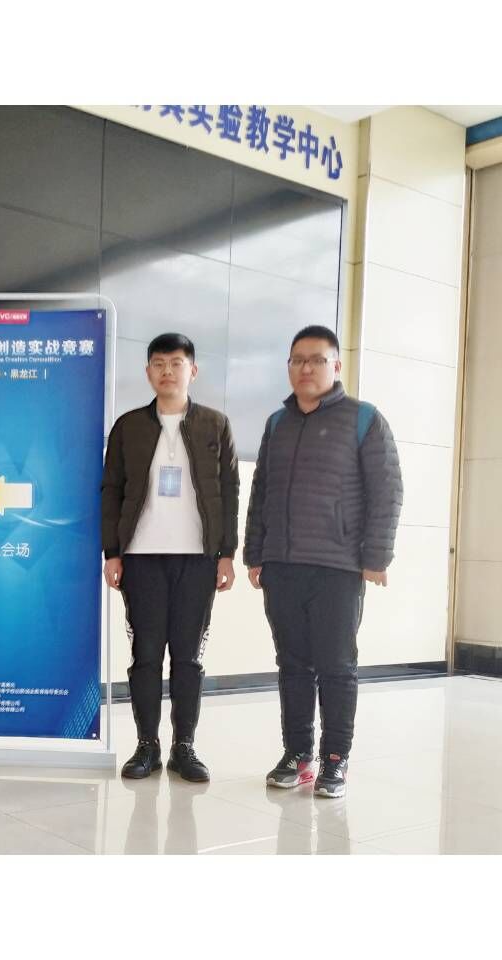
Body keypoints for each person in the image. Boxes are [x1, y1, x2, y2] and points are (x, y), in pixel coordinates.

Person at [244, 325, 403, 799]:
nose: (306, 368)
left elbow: (387, 491)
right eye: (298, 360)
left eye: (316, 360)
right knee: (292, 665)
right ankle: (298, 755)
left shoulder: (364, 419)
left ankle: (335, 759)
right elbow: (261, 492)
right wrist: (255, 552)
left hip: (338, 567)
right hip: (283, 565)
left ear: (336, 365)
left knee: (337, 666)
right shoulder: (277, 423)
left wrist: (376, 556)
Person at [102, 333, 239, 781]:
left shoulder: (215, 425)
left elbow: (230, 492)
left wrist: (227, 553)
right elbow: (111, 490)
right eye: (158, 363)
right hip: (141, 558)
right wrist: (112, 552)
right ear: (148, 372)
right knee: (145, 656)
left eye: (176, 363)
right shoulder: (128, 427)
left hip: (197, 560)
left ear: (192, 371)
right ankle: (147, 745)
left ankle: (184, 747)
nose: (167, 371)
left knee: (188, 658)